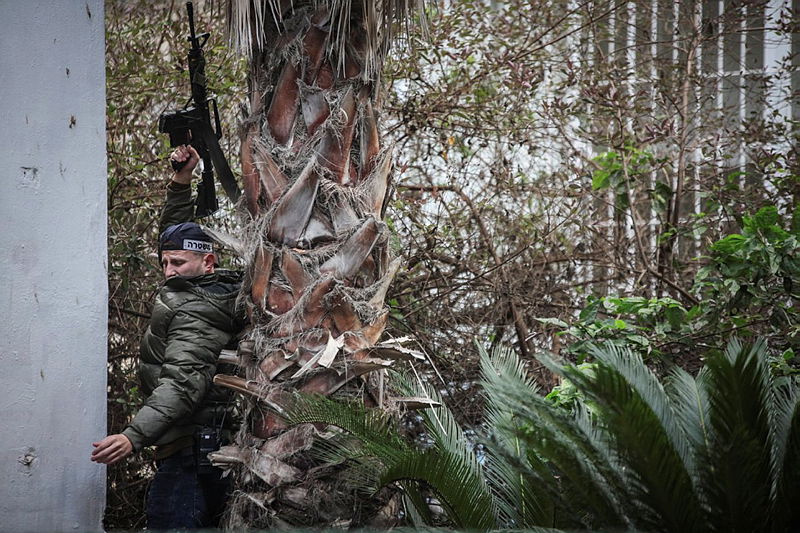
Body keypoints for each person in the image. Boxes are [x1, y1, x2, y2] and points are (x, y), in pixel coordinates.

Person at [92, 145, 244, 529]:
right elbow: (175, 236)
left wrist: (132, 437)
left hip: (191, 455)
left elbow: (182, 383)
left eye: (177, 263)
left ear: (207, 262)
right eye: (164, 263)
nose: (168, 270)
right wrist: (181, 181)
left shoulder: (198, 311)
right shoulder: (196, 285)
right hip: (195, 447)